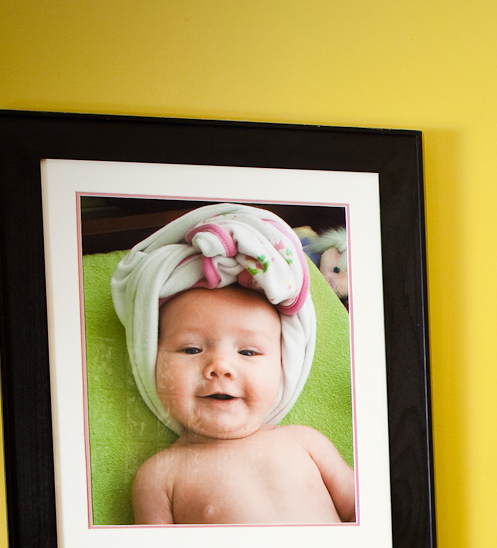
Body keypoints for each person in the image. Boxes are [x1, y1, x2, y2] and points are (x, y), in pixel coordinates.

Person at [110, 204, 356, 525]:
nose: (220, 367)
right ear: (151, 362)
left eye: (248, 352)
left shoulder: (306, 443)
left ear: (284, 366)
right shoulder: (160, 476)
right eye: (192, 349)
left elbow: (374, 518)